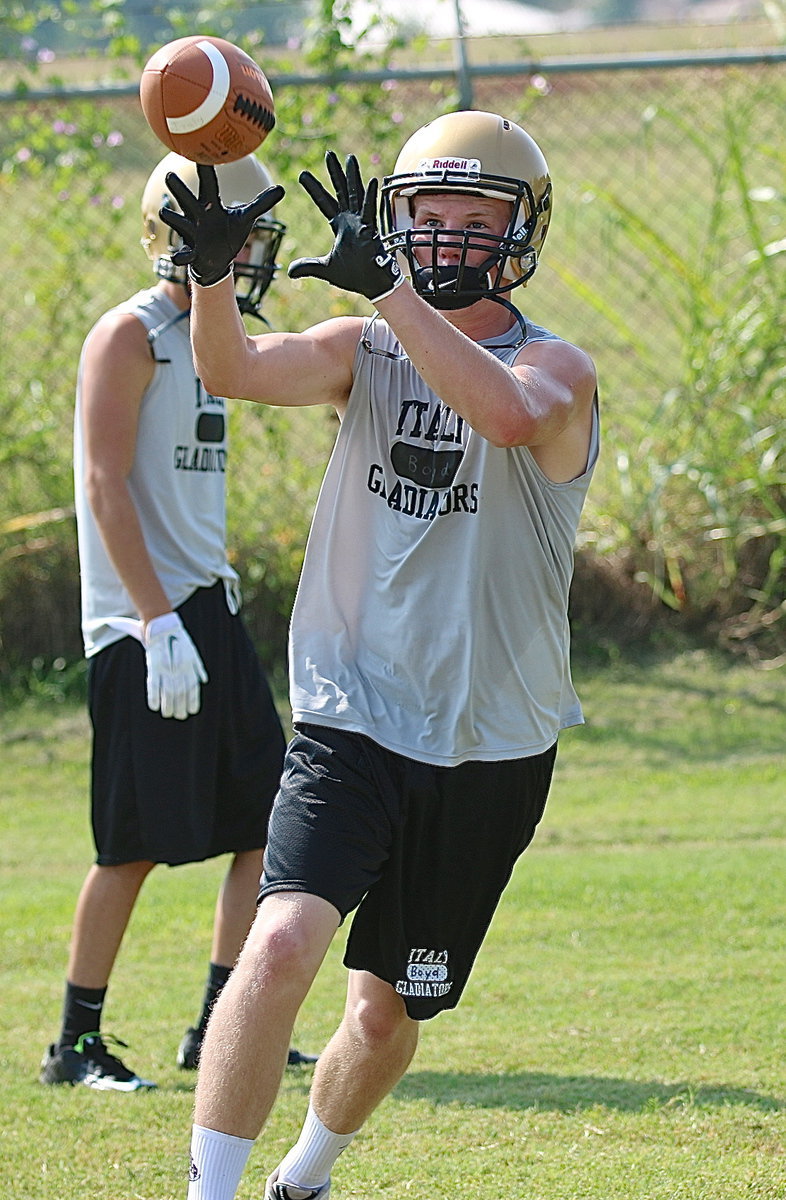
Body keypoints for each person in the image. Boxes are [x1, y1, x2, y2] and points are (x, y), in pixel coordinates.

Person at [160, 109, 599, 1197]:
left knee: (384, 1015)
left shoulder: (558, 368)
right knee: (277, 944)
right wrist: (211, 278)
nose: (446, 235)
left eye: (474, 216)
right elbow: (229, 369)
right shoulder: (362, 347)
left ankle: (303, 1178)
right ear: (394, 219)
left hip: (489, 741)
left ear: (521, 230)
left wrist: (391, 294)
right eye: (427, 213)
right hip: (352, 712)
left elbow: (505, 417)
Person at [40, 151, 316, 1092]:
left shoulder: (212, 334)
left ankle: (222, 1023)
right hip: (143, 624)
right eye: (232, 235)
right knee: (132, 844)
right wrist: (156, 621)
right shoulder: (129, 334)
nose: (248, 254)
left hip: (210, 606)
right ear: (181, 234)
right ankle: (75, 1043)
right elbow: (103, 483)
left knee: (268, 825)